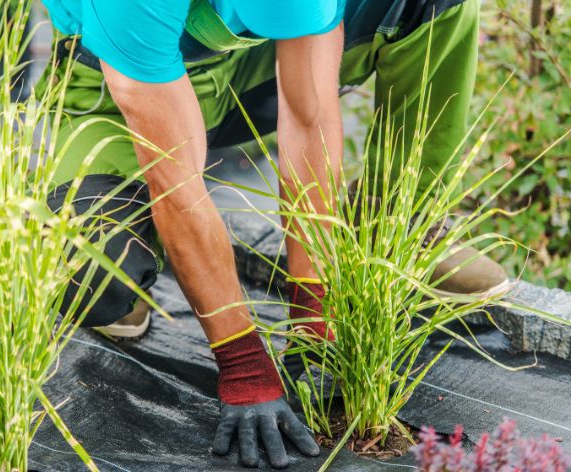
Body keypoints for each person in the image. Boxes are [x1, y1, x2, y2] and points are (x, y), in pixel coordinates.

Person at [40, 0, 507, 468]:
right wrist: (242, 360)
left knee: (428, 5)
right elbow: (176, 185)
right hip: (114, 82)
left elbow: (309, 119)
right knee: (96, 275)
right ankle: (123, 245)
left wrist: (313, 307)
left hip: (247, 65)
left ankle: (397, 225)